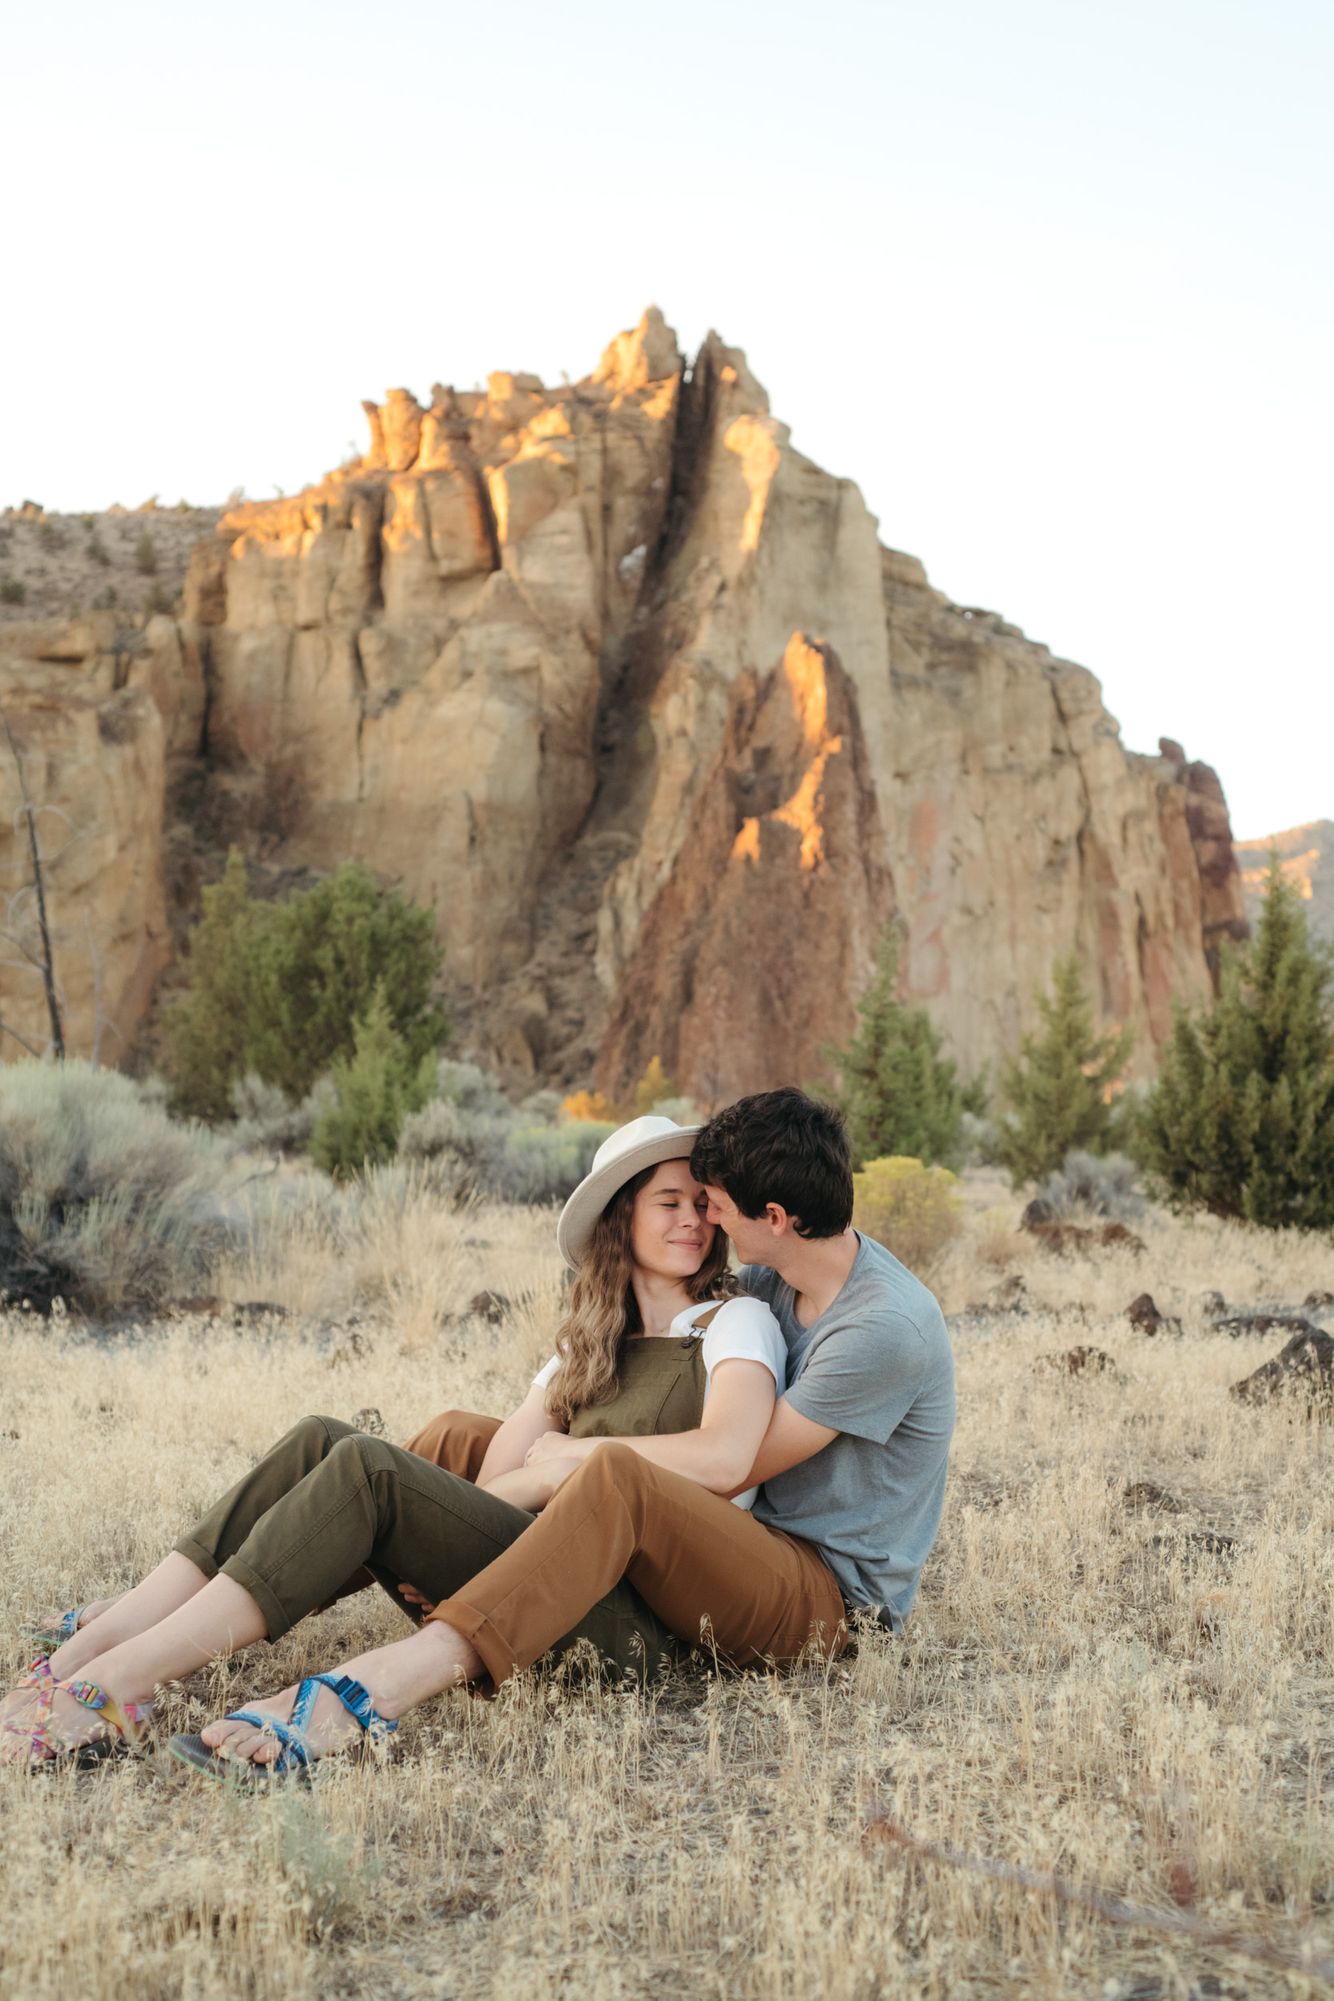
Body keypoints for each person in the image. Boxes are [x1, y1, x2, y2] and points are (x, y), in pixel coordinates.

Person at [5, 1088, 956, 1778]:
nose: (705, 1221)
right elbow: (535, 1441)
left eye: (712, 1206)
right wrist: (559, 1397)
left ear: (772, 1219)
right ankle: (111, 1637)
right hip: (685, 1548)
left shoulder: (861, 1324)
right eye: (677, 1202)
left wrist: (562, 1463)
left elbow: (727, 1461)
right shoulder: (764, 1279)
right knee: (377, 1438)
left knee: (582, 1472)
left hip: (821, 1589)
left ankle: (339, 1692)